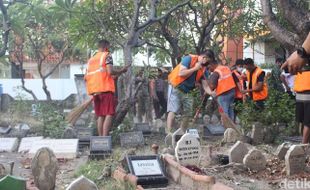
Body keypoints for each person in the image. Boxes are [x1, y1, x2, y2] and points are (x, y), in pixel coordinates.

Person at [165, 50, 215, 143]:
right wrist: (195, 69)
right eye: (207, 59)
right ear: (203, 57)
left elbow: (205, 85)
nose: (207, 62)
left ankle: (181, 134)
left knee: (188, 113)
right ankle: (169, 133)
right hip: (175, 87)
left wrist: (211, 93)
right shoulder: (188, 59)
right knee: (173, 110)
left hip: (187, 91)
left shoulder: (203, 68)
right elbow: (181, 73)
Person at [84, 39, 129, 136]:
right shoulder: (107, 55)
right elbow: (110, 71)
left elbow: (90, 76)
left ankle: (101, 139)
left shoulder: (92, 59)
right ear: (106, 46)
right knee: (109, 114)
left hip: (95, 91)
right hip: (105, 90)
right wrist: (122, 70)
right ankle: (105, 138)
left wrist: (116, 75)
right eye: (109, 46)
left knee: (101, 115)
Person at [281, 32, 310, 144]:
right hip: (301, 94)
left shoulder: (301, 62)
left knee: (307, 121)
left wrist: (302, 53)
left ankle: (304, 144)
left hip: (304, 94)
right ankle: (305, 144)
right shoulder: (300, 64)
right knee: (305, 121)